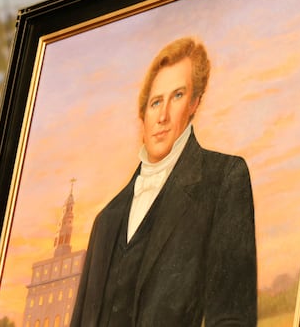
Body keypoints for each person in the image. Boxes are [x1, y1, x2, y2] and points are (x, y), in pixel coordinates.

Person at [70, 36, 257, 326]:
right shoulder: (105, 221)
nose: (163, 115)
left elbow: (232, 317)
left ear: (195, 103)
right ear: (142, 114)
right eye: (156, 102)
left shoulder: (224, 179)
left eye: (178, 96)